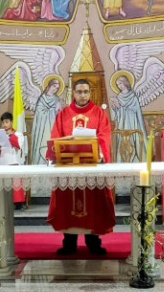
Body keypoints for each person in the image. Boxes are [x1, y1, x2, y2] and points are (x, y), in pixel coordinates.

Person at [46, 79, 115, 255]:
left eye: (85, 92)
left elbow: (104, 136)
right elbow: (56, 137)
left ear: (90, 93)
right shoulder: (63, 114)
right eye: (79, 92)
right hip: (68, 168)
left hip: (92, 167)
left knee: (94, 204)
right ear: (73, 93)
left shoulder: (99, 113)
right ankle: (69, 242)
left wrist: (97, 148)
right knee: (67, 204)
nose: (82, 95)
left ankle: (93, 241)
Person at [0, 112, 27, 208]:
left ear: (11, 122)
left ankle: (18, 203)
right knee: (3, 183)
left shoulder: (18, 134)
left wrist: (11, 136)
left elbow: (19, 145)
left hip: (14, 161)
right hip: (2, 162)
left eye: (6, 122)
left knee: (16, 183)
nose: (4, 125)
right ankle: (3, 202)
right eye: (3, 123)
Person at [109, 73, 147, 162]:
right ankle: (122, 160)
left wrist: (123, 105)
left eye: (120, 83)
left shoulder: (133, 96)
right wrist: (115, 106)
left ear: (125, 83)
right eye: (118, 85)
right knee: (123, 141)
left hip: (132, 122)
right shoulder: (119, 96)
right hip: (122, 123)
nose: (119, 86)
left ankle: (136, 160)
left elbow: (136, 109)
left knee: (134, 140)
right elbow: (117, 114)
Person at [30, 77, 64, 164]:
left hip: (52, 129)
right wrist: (53, 110)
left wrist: (58, 109)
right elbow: (39, 113)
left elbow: (59, 115)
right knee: (42, 147)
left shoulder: (57, 99)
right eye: (54, 86)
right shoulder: (42, 99)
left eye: (57, 88)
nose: (55, 89)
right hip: (42, 128)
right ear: (49, 86)